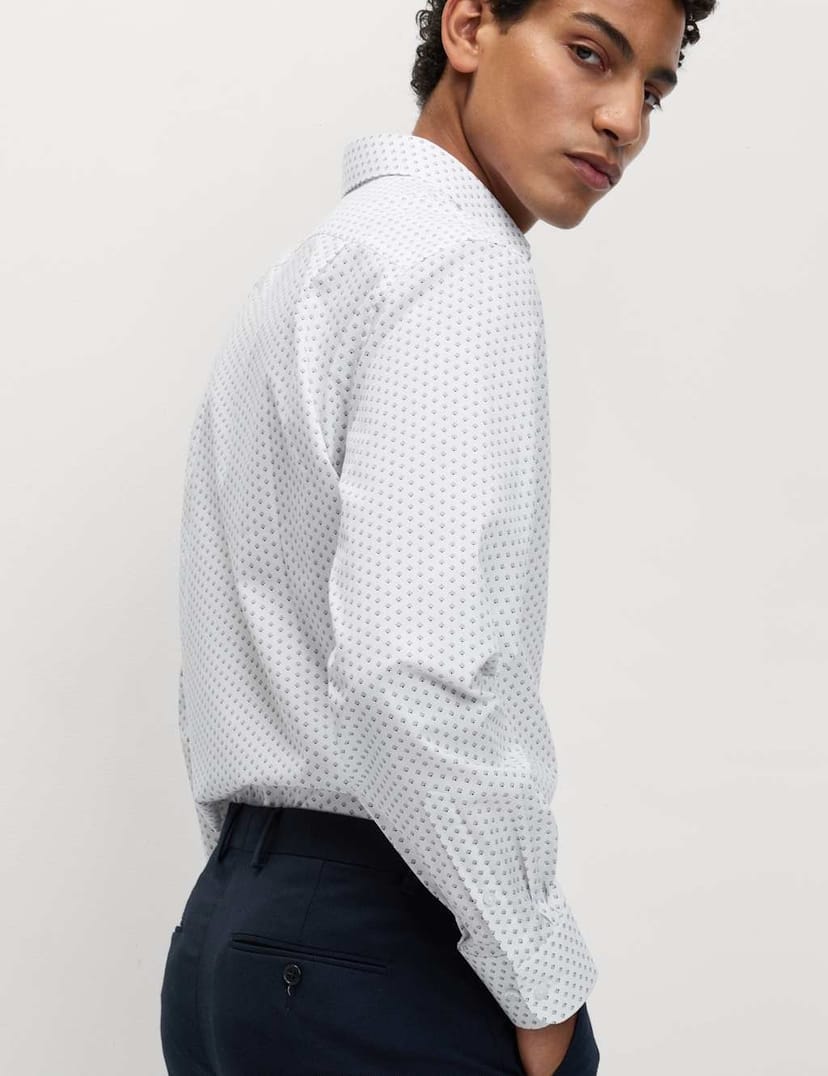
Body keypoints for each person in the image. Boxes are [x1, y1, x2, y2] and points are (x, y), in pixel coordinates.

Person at [160, 1, 716, 1073]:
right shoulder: (458, 263)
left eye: (651, 89)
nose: (625, 121)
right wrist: (541, 980)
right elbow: (407, 670)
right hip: (386, 943)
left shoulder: (310, 268)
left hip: (232, 948)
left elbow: (225, 652)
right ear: (467, 27)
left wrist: (273, 909)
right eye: (589, 54)